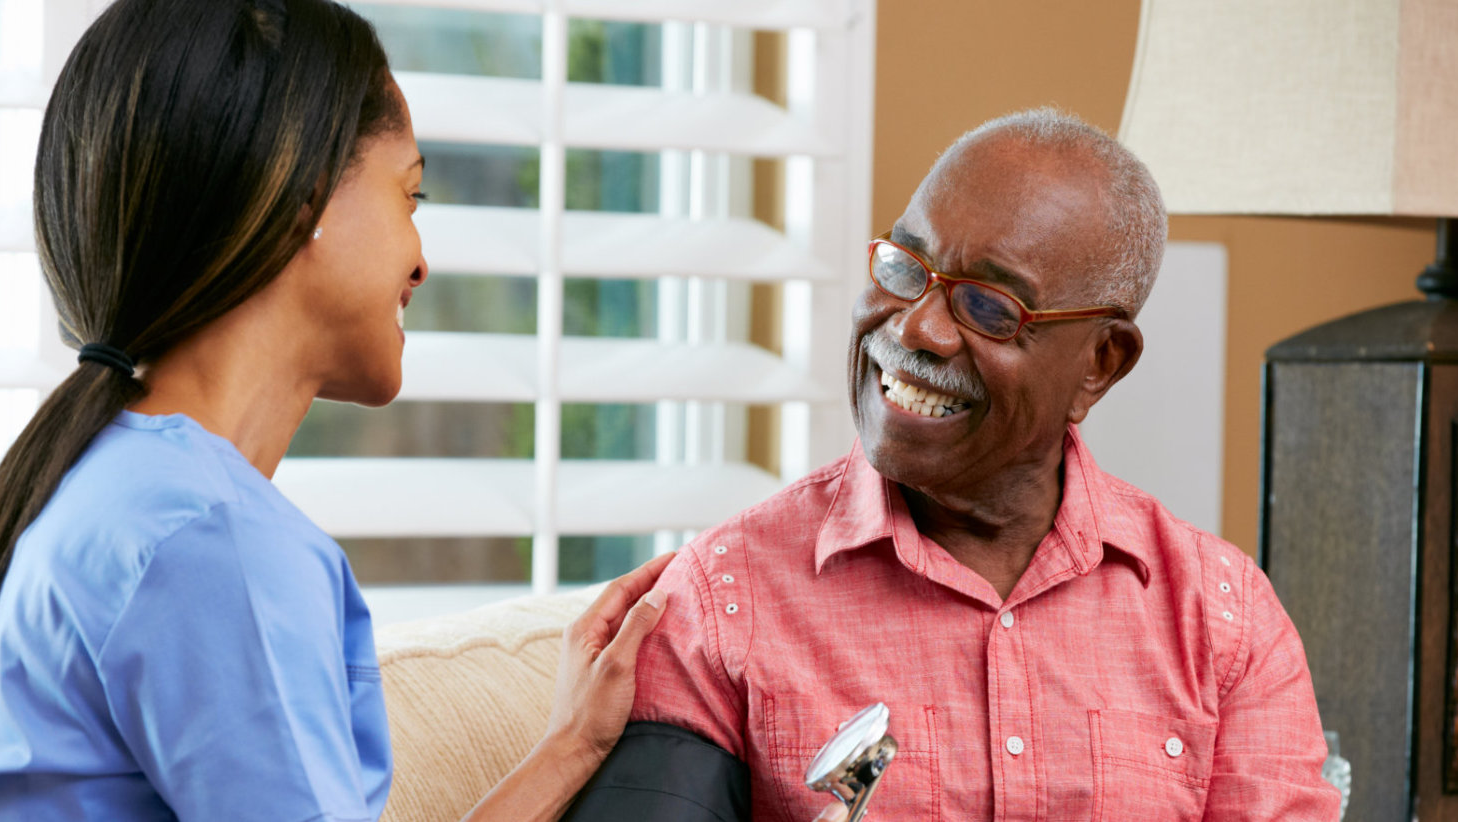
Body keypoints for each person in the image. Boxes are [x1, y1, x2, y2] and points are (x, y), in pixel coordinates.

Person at [0, 2, 672, 819]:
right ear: (304, 195)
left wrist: (570, 746)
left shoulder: (70, 494)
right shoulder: (207, 540)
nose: (422, 261)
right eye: (411, 195)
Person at [572, 110, 1343, 821]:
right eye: (905, 268)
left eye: (986, 308)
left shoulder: (1222, 622)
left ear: (1100, 364)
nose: (915, 328)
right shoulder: (722, 602)